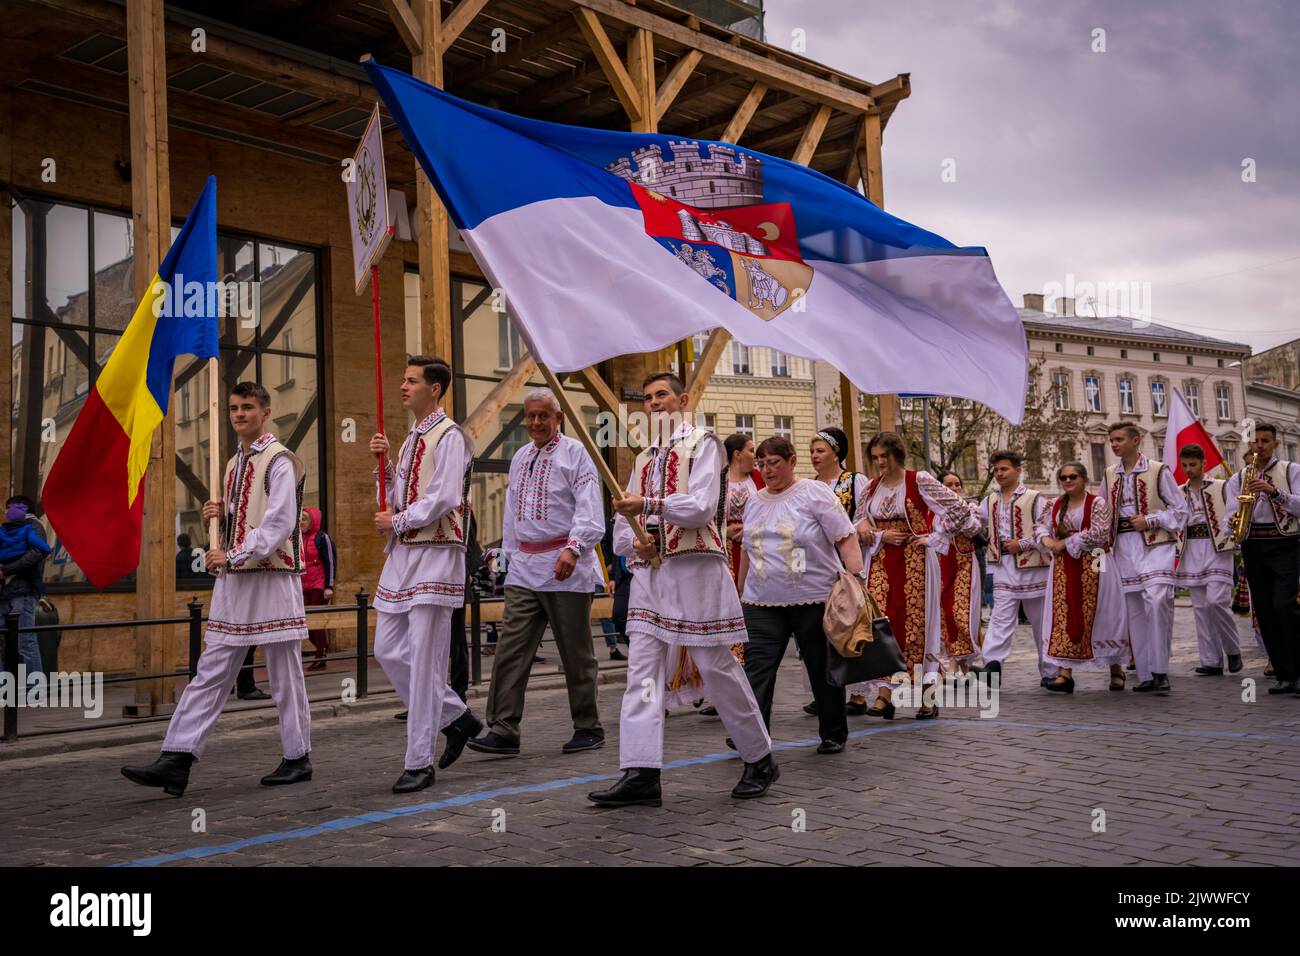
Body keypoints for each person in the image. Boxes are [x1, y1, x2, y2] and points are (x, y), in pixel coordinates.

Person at [590, 371, 776, 808]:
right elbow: (622, 524)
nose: (653, 403)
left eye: (662, 396)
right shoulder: (642, 459)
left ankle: (759, 756)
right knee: (641, 672)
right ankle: (640, 771)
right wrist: (634, 540)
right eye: (649, 398)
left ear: (683, 399)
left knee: (716, 665)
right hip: (651, 577)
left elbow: (698, 507)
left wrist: (650, 506)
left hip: (694, 569)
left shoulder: (704, 443)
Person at [121, 382, 312, 796]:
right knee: (210, 670)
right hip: (235, 581)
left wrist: (234, 552)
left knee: (285, 672)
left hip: (272, 578)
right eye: (232, 408)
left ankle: (297, 756)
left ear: (265, 411)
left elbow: (279, 523)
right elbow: (244, 515)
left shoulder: (281, 461)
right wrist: (221, 514)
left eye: (247, 407)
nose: (238, 414)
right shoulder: (229, 465)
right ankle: (177, 757)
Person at [466, 387, 607, 757]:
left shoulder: (575, 454)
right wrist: (506, 559)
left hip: (565, 567)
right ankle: (503, 728)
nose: (535, 422)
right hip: (525, 569)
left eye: (543, 415)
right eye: (530, 416)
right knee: (511, 648)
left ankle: (588, 726)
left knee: (575, 652)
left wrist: (574, 548)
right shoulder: (520, 457)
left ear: (557, 417)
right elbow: (512, 515)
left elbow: (590, 509)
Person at [369, 356, 484, 793]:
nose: (402, 386)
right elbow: (397, 497)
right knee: (388, 649)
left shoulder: (450, 436)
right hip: (403, 556)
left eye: (412, 380)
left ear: (434, 389)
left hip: (436, 552)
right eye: (403, 378)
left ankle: (420, 760)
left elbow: (444, 496)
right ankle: (457, 717)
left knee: (426, 658)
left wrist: (397, 521)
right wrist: (381, 468)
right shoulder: (408, 439)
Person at [736, 436, 863, 754]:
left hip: (814, 599)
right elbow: (747, 551)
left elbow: (845, 535)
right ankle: (753, 736)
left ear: (792, 461)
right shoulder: (754, 501)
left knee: (821, 668)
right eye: (761, 463)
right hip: (761, 601)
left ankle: (833, 732)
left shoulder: (813, 493)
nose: (766, 470)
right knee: (757, 670)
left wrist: (856, 578)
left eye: (773, 462)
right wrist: (740, 592)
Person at [850, 432, 979, 719]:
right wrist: (879, 533)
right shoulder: (871, 488)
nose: (880, 462)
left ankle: (927, 697)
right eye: (875, 457)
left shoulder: (918, 480)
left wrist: (934, 536)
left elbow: (958, 507)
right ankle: (886, 694)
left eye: (885, 456)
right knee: (883, 625)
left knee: (918, 629)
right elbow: (859, 521)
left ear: (898, 455)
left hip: (916, 562)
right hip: (882, 562)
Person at [1104, 422, 1188, 696]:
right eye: (1111, 440)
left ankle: (1160, 670)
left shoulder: (1158, 470)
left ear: (1136, 440)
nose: (1114, 444)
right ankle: (1145, 674)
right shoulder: (1109, 475)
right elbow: (1104, 515)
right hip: (1124, 548)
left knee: (1156, 601)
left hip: (1155, 545)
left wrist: (1151, 519)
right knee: (1134, 610)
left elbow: (1181, 511)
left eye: (1118, 439)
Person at [1222, 423, 1300, 694]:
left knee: (1285, 606)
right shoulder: (1240, 477)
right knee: (1265, 612)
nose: (1260, 445)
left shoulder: (1290, 471)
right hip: (1254, 546)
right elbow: (1228, 514)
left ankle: (1297, 670)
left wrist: (1274, 492)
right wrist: (1232, 521)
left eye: (1265, 441)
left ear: (1275, 444)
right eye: (1255, 441)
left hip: (1285, 543)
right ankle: (1284, 674)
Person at [1036, 462, 1127, 692]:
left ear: (1084, 479)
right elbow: (1040, 528)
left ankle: (1115, 668)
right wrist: (1048, 542)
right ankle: (1065, 673)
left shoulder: (1097, 502)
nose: (1067, 481)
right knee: (1065, 613)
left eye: (1073, 476)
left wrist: (1065, 542)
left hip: (1096, 560)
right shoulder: (1054, 504)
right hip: (1064, 566)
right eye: (1063, 477)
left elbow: (1098, 534)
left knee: (1103, 612)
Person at [976, 450, 1057, 688]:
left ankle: (1050, 670)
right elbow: (975, 521)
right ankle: (992, 665)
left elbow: (1047, 529)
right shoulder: (990, 500)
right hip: (1002, 567)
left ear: (1018, 470)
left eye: (1004, 469)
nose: (999, 473)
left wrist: (1021, 543)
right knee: (1000, 617)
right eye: (996, 470)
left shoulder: (1035, 497)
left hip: (1033, 566)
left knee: (1041, 620)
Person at [808, 427, 869, 714]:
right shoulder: (808, 486)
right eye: (812, 451)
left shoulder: (854, 482)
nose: (815, 456)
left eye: (820, 450)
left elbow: (864, 517)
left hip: (846, 563)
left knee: (848, 622)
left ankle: (857, 693)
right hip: (818, 566)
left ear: (836, 452)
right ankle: (827, 690)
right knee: (820, 629)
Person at [1174, 444, 1241, 676]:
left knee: (1216, 601)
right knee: (1201, 607)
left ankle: (1232, 649)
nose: (1189, 469)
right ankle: (1211, 660)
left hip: (1218, 549)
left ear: (1203, 463)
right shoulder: (1178, 491)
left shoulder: (1221, 486)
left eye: (1193, 464)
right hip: (1191, 549)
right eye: (1185, 465)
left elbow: (1234, 511)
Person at [932, 469, 983, 676]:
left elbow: (974, 529)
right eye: (949, 485)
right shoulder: (933, 511)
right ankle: (966, 668)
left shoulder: (970, 508)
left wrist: (959, 513)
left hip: (965, 566)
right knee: (945, 616)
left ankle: (954, 665)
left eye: (957, 484)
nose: (954, 488)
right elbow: (937, 531)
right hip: (941, 566)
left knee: (960, 614)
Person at [0, 499, 52, 687]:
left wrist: (6, 569)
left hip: (23, 591)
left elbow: (37, 554)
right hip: (7, 591)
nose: (6, 511)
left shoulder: (33, 526)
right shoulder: (10, 528)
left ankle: (34, 689)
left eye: (8, 508)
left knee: (26, 642)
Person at [300, 507, 337, 671]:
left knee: (317, 623)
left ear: (313, 521)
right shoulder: (299, 538)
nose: (301, 522)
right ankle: (322, 648)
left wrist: (329, 586)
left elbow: (330, 562)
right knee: (305, 623)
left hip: (318, 585)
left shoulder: (323, 538)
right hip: (303, 585)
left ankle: (320, 658)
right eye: (300, 518)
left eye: (305, 519)